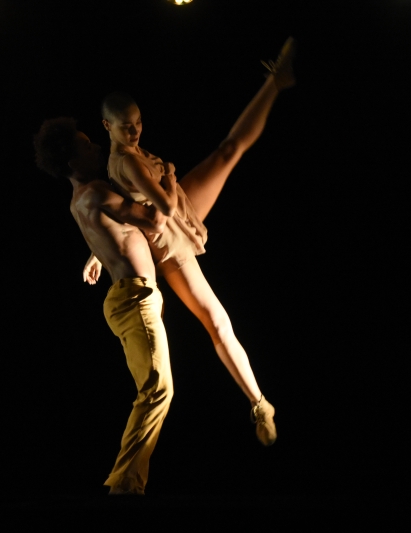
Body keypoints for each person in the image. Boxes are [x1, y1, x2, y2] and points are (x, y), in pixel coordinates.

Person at [86, 37, 297, 446]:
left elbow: (115, 208)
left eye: (138, 122)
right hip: (170, 242)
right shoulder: (126, 160)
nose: (136, 130)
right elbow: (160, 206)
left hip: (179, 211)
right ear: (107, 126)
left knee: (228, 151)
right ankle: (259, 404)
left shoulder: (122, 156)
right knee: (216, 322)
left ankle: (275, 81)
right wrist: (168, 177)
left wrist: (95, 251)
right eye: (126, 126)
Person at [34, 117, 179, 495]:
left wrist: (96, 255)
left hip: (129, 297)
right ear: (72, 161)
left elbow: (110, 231)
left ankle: (127, 483)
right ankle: (124, 486)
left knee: (155, 389)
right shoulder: (97, 192)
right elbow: (155, 219)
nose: (97, 147)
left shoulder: (79, 200)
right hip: (134, 297)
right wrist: (169, 180)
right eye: (86, 145)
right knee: (158, 390)